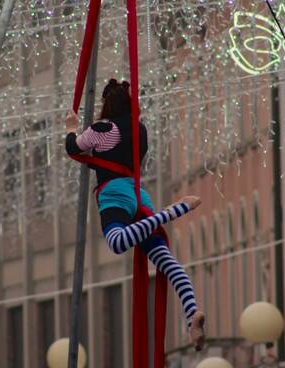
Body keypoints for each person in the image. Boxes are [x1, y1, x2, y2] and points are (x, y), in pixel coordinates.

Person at [65, 78, 206, 351]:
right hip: (139, 195)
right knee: (167, 263)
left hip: (115, 193)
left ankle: (177, 209)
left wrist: (71, 128)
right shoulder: (140, 129)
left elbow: (73, 148)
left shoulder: (102, 128)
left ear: (106, 105)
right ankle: (192, 315)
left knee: (117, 242)